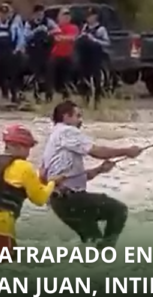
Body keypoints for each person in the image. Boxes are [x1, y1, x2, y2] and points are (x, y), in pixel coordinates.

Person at [40, 100, 142, 249]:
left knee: (92, 243)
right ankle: (108, 254)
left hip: (60, 204)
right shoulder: (66, 131)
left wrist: (100, 169)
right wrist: (127, 151)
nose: (81, 120)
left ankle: (100, 261)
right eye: (78, 116)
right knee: (118, 210)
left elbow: (50, 175)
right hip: (73, 200)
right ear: (66, 117)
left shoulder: (52, 140)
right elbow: (96, 151)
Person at [0, 124, 64, 263]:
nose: (29, 153)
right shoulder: (23, 166)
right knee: (6, 272)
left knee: (1, 268)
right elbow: (40, 199)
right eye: (28, 147)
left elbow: (7, 186)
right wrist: (52, 183)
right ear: (19, 146)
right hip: (0, 228)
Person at [0, 4, 24, 103]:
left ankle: (14, 96)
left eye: (5, 14)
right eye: (1, 13)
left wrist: (17, 49)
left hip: (9, 54)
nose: (3, 16)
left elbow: (21, 38)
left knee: (12, 76)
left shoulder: (13, 25)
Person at [75, 7, 110, 105]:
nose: (89, 18)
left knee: (96, 78)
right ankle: (85, 99)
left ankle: (97, 100)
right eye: (88, 16)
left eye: (91, 16)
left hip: (96, 56)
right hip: (85, 56)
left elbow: (107, 43)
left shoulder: (101, 29)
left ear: (96, 17)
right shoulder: (85, 27)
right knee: (83, 78)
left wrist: (94, 39)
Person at [24, 4, 58, 103]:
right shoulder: (29, 23)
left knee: (49, 74)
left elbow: (57, 30)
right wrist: (36, 31)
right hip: (34, 52)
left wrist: (48, 31)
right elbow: (26, 36)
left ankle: (49, 96)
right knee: (36, 74)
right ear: (34, 14)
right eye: (38, 13)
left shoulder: (48, 21)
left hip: (46, 51)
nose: (40, 15)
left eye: (41, 13)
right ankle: (37, 95)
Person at [49, 8, 79, 99]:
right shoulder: (55, 27)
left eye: (67, 16)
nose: (66, 18)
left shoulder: (73, 27)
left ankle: (66, 93)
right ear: (58, 17)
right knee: (50, 72)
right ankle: (49, 94)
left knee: (66, 75)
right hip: (55, 55)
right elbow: (51, 37)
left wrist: (60, 37)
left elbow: (72, 37)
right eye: (63, 15)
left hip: (67, 56)